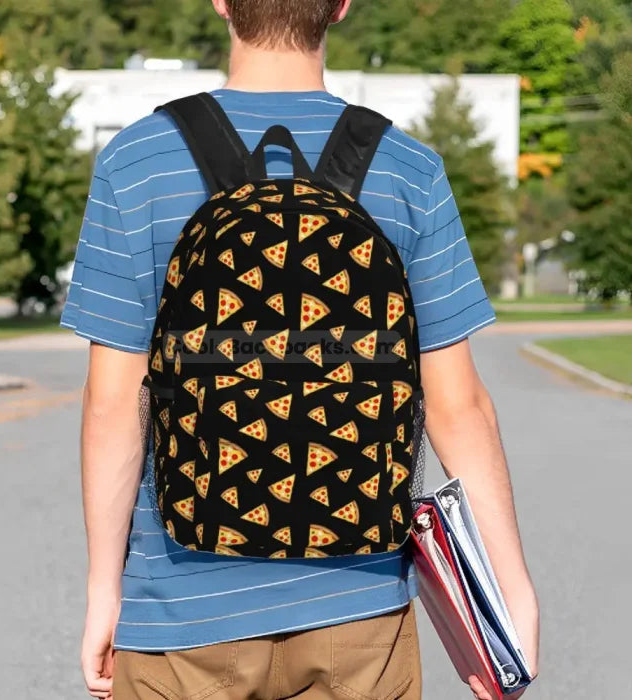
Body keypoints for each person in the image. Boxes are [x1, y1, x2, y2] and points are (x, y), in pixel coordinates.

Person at [61, 1, 540, 698]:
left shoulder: (137, 163)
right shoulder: (408, 168)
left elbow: (112, 403)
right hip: (360, 608)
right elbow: (458, 406)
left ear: (222, 2)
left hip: (181, 608)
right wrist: (508, 591)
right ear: (341, 5)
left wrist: (106, 591)